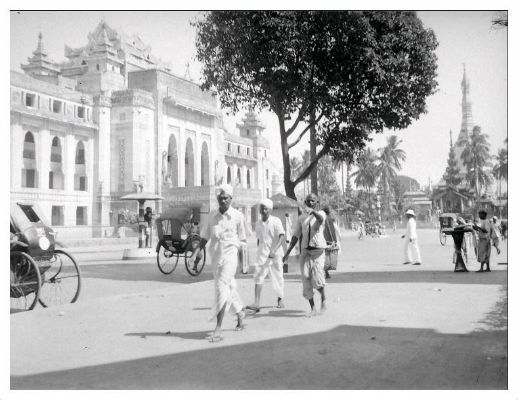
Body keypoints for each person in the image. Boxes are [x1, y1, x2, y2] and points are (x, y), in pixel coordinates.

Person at [188, 184, 248, 342]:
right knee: (228, 286)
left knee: (221, 287)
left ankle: (218, 328)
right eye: (220, 198)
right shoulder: (212, 216)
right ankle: (240, 312)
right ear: (217, 199)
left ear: (231, 199)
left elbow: (243, 240)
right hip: (216, 256)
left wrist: (243, 263)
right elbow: (205, 237)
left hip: (230, 256)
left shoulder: (238, 216)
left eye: (226, 198)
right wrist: (195, 253)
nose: (223, 200)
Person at [283, 193, 327, 317]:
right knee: (306, 279)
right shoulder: (301, 218)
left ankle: (323, 299)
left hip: (317, 252)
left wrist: (313, 212)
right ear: (305, 203)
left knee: (317, 279)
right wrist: (287, 252)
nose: (310, 203)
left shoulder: (321, 214)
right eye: (308, 201)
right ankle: (313, 307)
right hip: (305, 252)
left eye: (313, 201)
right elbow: (296, 236)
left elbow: (320, 219)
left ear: (317, 203)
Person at [246, 198, 286, 313]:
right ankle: (256, 304)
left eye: (266, 209)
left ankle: (280, 299)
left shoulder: (276, 221)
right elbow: (259, 239)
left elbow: (282, 236)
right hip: (262, 255)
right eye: (262, 208)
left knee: (278, 277)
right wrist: (259, 251)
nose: (263, 211)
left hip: (276, 255)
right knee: (259, 277)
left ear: (270, 210)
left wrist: (274, 250)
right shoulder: (258, 223)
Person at [322, 206, 341, 279]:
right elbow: (331, 230)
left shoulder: (319, 218)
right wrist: (334, 241)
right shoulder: (328, 219)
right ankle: (326, 273)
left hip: (320, 240)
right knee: (326, 256)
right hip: (327, 241)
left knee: (322, 257)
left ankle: (324, 272)